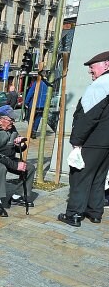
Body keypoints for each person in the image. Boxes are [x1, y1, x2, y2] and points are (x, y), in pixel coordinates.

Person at [58, 51, 109, 227]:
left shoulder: (100, 85)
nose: (90, 71)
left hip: (93, 141)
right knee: (99, 177)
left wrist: (76, 141)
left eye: (92, 67)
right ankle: (95, 213)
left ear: (106, 65)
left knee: (80, 176)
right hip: (106, 143)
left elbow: (88, 117)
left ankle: (73, 214)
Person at [0, 105, 36, 207]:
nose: (13, 122)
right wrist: (15, 165)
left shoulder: (11, 128)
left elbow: (17, 146)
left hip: (8, 158)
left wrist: (21, 144)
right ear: (0, 119)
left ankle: (18, 196)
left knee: (29, 167)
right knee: (1, 168)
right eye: (10, 119)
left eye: (13, 119)